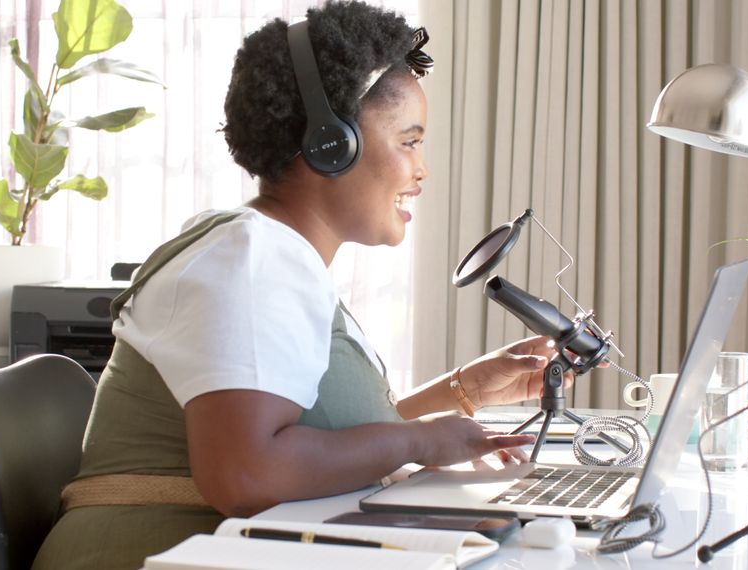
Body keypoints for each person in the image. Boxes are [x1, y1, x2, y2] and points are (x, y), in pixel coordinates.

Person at [32, 2, 563, 568]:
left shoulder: (269, 257)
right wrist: (417, 442)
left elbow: (320, 442)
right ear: (330, 144)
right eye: (409, 142)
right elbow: (246, 473)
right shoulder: (251, 259)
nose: (422, 168)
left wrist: (465, 390)